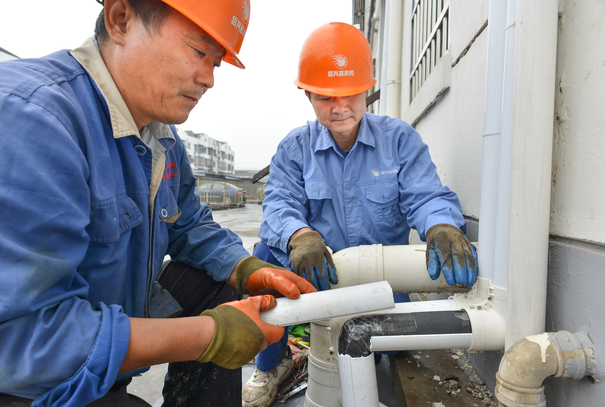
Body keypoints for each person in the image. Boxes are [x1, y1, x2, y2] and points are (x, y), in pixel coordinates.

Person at [0, 1, 316, 407]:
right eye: (198, 51)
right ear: (121, 20)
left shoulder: (158, 135)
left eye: (216, 62)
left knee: (219, 280)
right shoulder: (35, 119)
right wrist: (209, 335)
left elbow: (189, 225)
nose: (209, 79)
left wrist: (245, 268)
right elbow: (23, 336)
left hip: (96, 372)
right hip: (27, 386)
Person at [241, 22, 478, 407]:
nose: (340, 107)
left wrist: (441, 226)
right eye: (325, 97)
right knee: (265, 257)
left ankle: (375, 343)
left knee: (394, 349)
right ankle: (272, 363)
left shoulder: (398, 139)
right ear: (308, 95)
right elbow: (279, 206)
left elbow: (425, 195)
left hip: (381, 280)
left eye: (351, 94)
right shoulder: (294, 149)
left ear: (367, 88)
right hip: (319, 274)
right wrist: (301, 236)